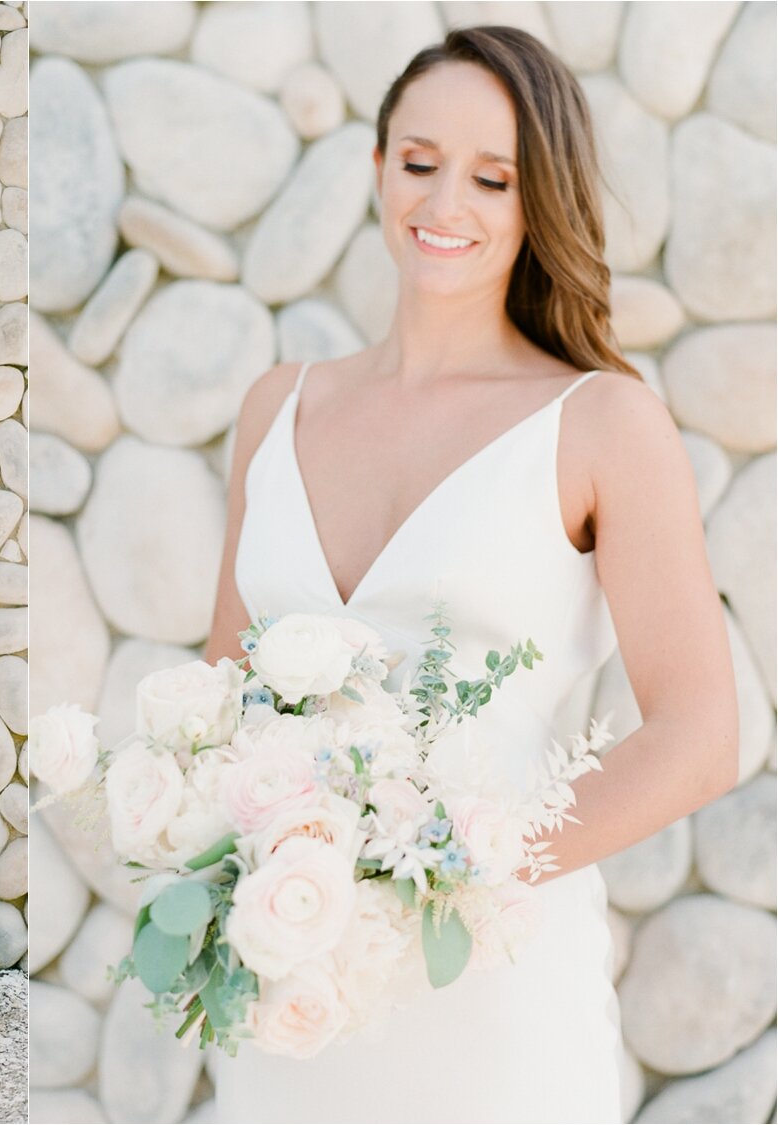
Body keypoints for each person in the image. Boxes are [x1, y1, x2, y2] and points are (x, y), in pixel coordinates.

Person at [203, 27, 737, 1124]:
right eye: (419, 162)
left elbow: (698, 736)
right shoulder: (275, 406)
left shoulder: (603, 424)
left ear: (538, 199)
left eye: (493, 178)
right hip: (286, 996)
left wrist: (439, 879)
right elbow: (222, 702)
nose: (446, 203)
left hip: (493, 1003)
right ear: (377, 169)